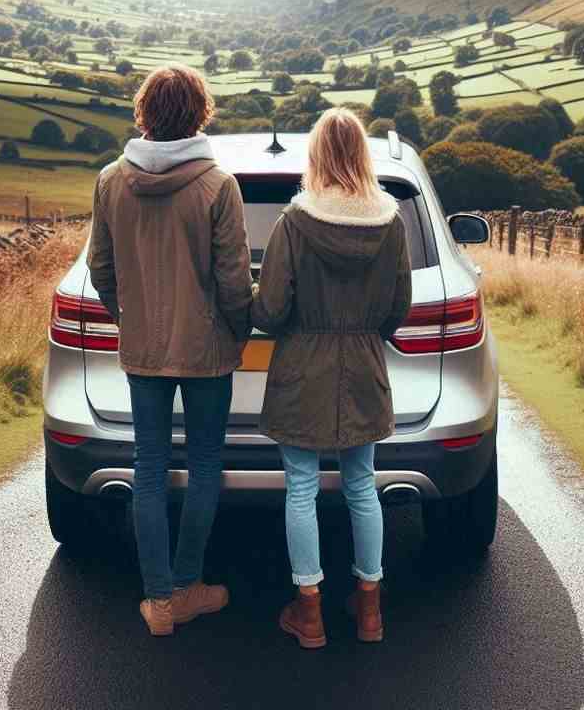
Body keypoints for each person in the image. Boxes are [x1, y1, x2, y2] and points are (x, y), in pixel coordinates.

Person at [89, 64, 253, 637]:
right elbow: (234, 281)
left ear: (145, 111)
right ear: (200, 111)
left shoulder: (111, 180)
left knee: (149, 468)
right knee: (205, 463)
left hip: (142, 350)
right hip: (208, 349)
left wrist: (125, 318)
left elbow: (99, 269)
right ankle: (189, 586)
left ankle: (158, 602)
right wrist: (242, 330)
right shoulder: (218, 185)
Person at [252, 108, 411, 649]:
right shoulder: (391, 222)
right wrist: (365, 333)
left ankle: (310, 611)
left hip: (303, 365)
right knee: (363, 485)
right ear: (363, 155)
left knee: (301, 488)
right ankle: (370, 611)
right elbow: (399, 306)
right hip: (364, 365)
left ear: (316, 156)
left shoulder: (295, 222)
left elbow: (271, 311)